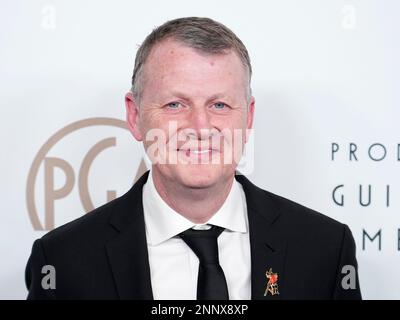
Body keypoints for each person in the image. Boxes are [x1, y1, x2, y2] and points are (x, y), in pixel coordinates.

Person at [25, 17, 361, 300]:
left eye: (219, 105)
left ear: (248, 118)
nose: (200, 127)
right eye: (175, 105)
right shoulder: (61, 262)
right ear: (135, 115)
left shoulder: (326, 249)